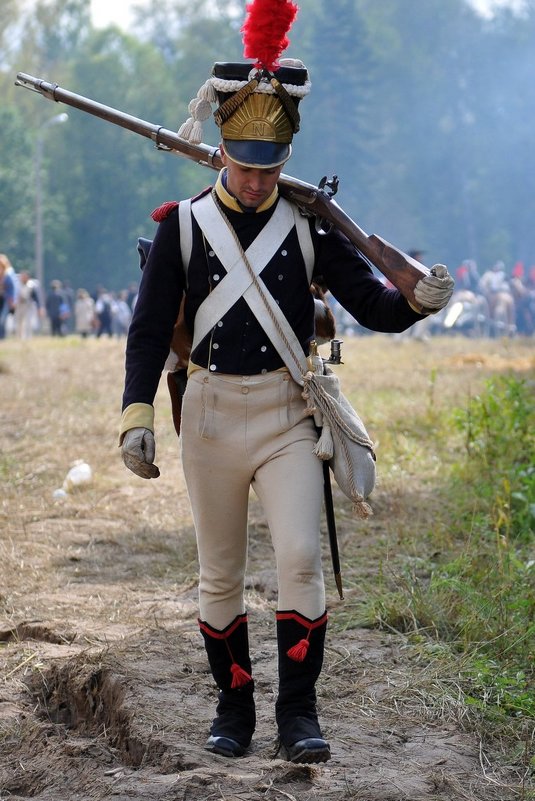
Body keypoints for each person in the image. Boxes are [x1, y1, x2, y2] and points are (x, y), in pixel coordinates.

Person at [119, 0, 453, 765]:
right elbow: (146, 329)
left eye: (268, 167)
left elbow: (369, 303)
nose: (256, 178)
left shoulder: (305, 223)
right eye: (243, 163)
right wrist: (137, 409)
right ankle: (232, 709)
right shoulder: (182, 225)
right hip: (205, 413)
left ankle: (297, 716)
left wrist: (414, 301)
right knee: (220, 575)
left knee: (300, 558)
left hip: (283, 410)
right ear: (221, 153)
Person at [14, 270, 40, 339]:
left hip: (28, 305)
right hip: (19, 305)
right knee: (18, 321)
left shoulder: (31, 285)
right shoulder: (17, 285)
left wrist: (39, 307)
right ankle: (19, 337)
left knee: (28, 322)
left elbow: (35, 297)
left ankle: (28, 337)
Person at [0, 254, 18, 339]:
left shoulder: (8, 277)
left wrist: (12, 301)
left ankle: (2, 337)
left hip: (6, 300)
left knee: (2, 320)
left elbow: (12, 290)